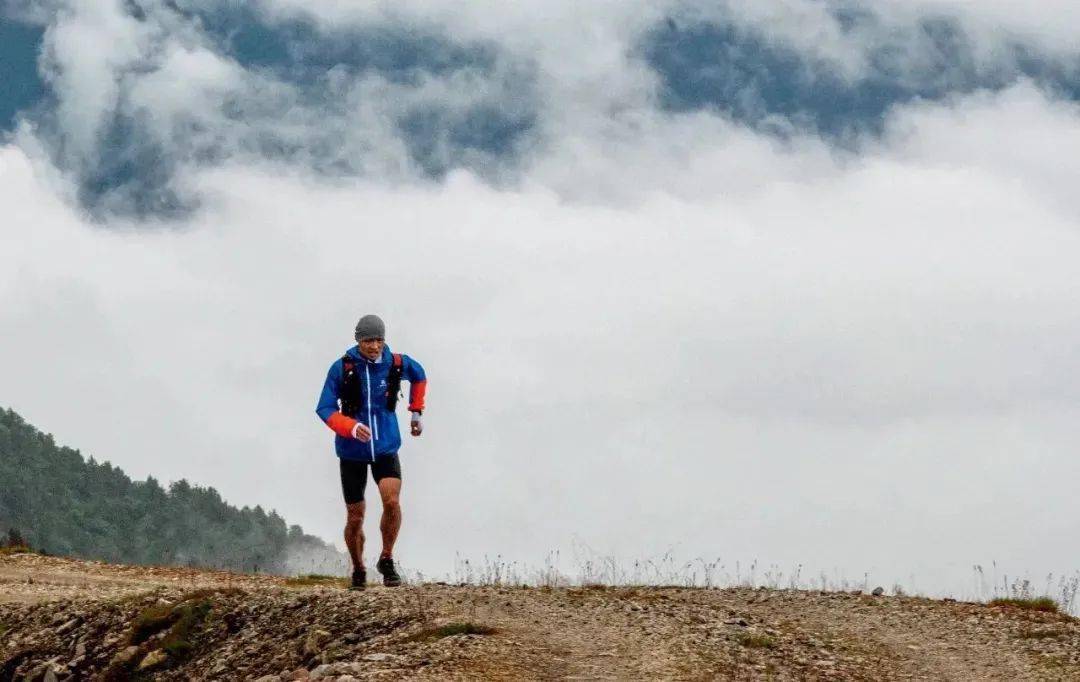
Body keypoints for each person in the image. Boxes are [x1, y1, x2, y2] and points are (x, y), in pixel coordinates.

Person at [316, 314, 426, 589]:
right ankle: (358, 568)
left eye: (378, 340)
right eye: (368, 340)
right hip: (352, 451)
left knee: (392, 501)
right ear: (358, 340)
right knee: (356, 515)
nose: (374, 346)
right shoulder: (341, 368)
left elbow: (420, 376)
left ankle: (386, 559)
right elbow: (325, 407)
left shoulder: (397, 363)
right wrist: (350, 427)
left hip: (386, 445)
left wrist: (416, 412)